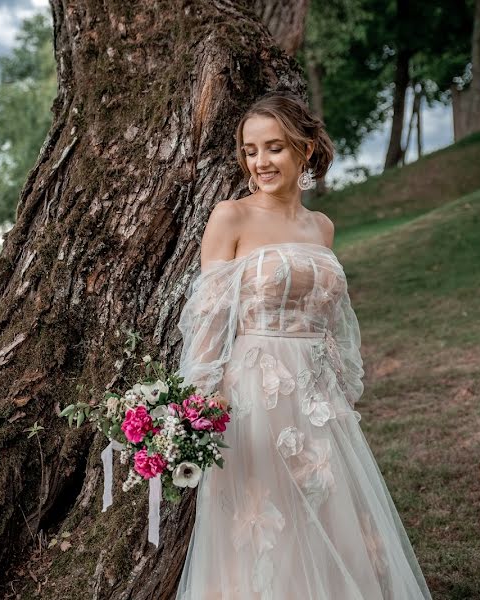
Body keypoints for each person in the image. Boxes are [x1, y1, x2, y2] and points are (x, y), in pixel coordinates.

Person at [174, 91, 432, 599]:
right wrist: (200, 400)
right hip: (251, 397)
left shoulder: (322, 227)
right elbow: (209, 317)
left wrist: (336, 390)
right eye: (250, 150)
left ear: (305, 148)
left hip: (318, 403)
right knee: (265, 525)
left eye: (274, 148)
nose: (260, 162)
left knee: (328, 515)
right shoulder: (231, 217)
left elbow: (331, 321)